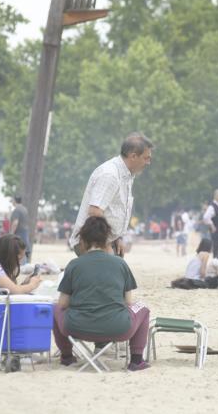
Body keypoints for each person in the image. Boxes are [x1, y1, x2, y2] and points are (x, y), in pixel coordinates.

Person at [53, 216, 151, 370]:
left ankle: (66, 356)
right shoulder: (120, 264)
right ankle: (136, 359)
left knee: (54, 308)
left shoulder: (74, 265)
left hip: (77, 327)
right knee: (143, 309)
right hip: (118, 329)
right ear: (107, 239)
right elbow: (129, 302)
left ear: (83, 239)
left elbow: (63, 303)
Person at [69, 133, 153, 257]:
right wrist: (105, 244)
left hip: (106, 242)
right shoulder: (110, 174)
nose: (148, 162)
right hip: (92, 243)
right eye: (146, 158)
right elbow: (95, 212)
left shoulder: (127, 175)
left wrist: (116, 238)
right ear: (133, 156)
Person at [9, 196, 31, 263]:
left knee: (19, 250)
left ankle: (22, 265)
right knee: (25, 248)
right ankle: (25, 264)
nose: (12, 202)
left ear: (15, 201)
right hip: (25, 232)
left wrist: (11, 233)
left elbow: (15, 222)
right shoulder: (24, 209)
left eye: (12, 201)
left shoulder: (17, 210)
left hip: (19, 233)